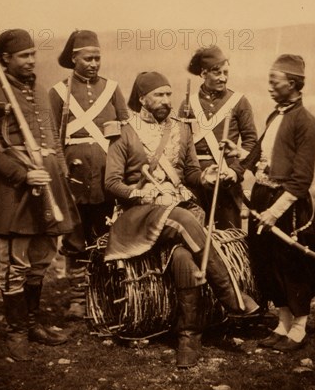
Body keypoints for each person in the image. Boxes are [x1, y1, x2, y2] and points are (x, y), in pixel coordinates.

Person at [104, 71, 259, 368]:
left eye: (168, 94)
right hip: (138, 215)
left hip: (178, 211)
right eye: (158, 95)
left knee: (184, 257)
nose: (165, 100)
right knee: (182, 219)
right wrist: (139, 193)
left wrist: (205, 175)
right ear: (142, 99)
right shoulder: (124, 132)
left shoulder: (182, 129)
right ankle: (233, 298)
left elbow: (189, 173)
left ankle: (189, 337)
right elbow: (111, 183)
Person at [0, 29, 81, 361]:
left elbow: (53, 140)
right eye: (23, 56)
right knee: (15, 262)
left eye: (33, 54)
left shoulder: (41, 92)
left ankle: (32, 322)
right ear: (6, 60)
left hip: (50, 184)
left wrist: (60, 173)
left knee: (42, 257)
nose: (31, 60)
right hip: (16, 190)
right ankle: (15, 330)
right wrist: (23, 173)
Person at [227, 54, 315, 351]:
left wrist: (274, 212)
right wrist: (237, 154)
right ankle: (282, 323)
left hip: (288, 207)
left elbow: (301, 180)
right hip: (263, 198)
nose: (270, 87)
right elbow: (260, 155)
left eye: (276, 82)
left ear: (293, 84)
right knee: (267, 261)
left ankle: (298, 328)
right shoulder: (274, 115)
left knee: (291, 265)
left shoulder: (305, 122)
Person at [49, 30, 129, 319]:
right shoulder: (58, 92)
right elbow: (53, 138)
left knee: (108, 234)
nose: (95, 63)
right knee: (75, 237)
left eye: (98, 58)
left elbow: (126, 130)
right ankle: (77, 299)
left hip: (109, 176)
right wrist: (60, 172)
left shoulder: (112, 88)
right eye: (88, 58)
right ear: (74, 59)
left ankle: (108, 294)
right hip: (75, 179)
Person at [179, 45, 257, 229]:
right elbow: (180, 143)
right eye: (217, 73)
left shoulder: (239, 101)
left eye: (226, 72)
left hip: (226, 179)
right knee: (194, 235)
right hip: (196, 180)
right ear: (203, 73)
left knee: (230, 236)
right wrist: (195, 176)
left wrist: (235, 172)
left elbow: (251, 142)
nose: (223, 78)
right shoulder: (188, 104)